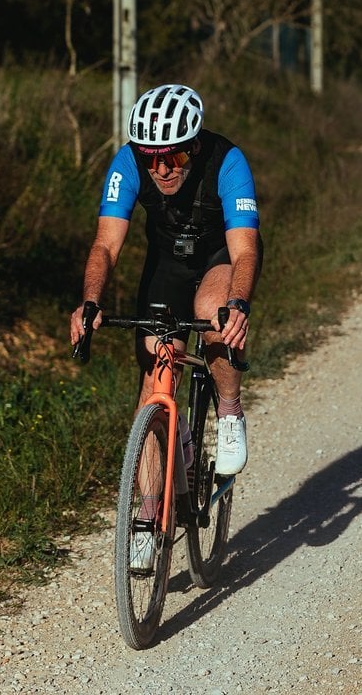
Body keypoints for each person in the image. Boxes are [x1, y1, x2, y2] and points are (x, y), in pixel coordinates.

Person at [69, 83, 261, 478]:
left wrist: (238, 303)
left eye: (173, 155)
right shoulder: (127, 163)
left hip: (219, 255)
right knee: (155, 367)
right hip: (168, 261)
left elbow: (244, 250)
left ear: (192, 146)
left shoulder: (228, 161)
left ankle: (228, 410)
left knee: (213, 313)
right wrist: (90, 302)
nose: (162, 169)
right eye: (151, 158)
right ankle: (148, 515)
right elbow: (105, 245)